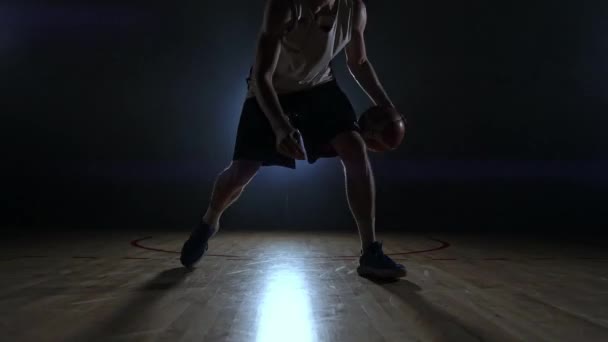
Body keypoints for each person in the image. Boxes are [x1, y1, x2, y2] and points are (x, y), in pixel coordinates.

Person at [180, 0, 406, 279]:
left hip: (319, 87)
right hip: (270, 89)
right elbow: (262, 76)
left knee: (355, 147)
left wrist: (387, 106)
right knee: (240, 173)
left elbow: (358, 62)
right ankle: (210, 221)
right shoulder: (284, 7)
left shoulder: (353, 9)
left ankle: (370, 250)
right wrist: (278, 126)